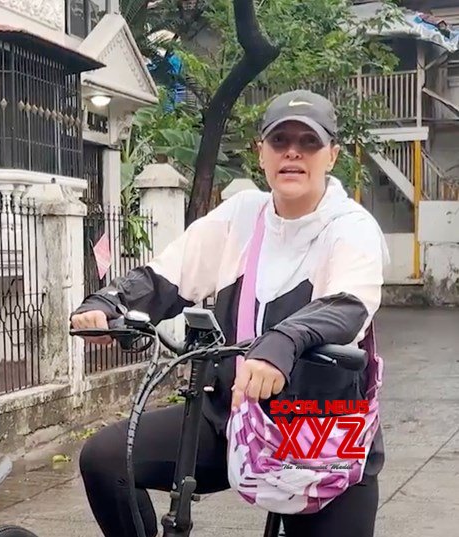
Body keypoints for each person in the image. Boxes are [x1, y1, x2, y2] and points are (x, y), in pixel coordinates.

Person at [70, 90, 388, 537]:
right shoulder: (242, 215)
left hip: (320, 433)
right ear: (262, 153)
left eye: (309, 142)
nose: (293, 152)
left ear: (331, 155)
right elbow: (165, 277)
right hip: (232, 418)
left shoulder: (351, 226)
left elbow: (346, 306)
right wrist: (110, 303)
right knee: (106, 459)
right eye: (280, 141)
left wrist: (281, 343)